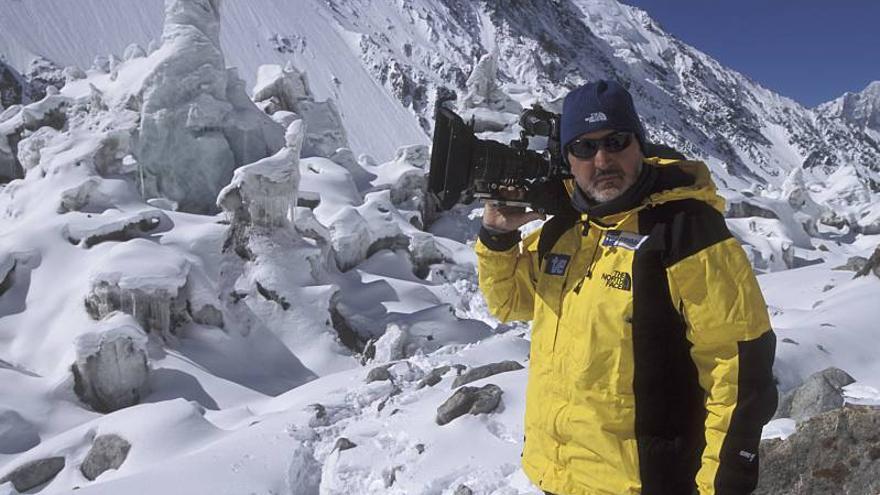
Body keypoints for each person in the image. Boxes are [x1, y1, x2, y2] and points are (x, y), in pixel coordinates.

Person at [475, 80, 777, 495]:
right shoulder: (563, 230)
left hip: (643, 484)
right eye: (583, 148)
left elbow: (741, 372)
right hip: (559, 476)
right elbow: (510, 303)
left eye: (616, 142)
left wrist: (721, 485)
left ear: (640, 145)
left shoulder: (685, 231)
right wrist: (497, 238)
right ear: (567, 157)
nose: (602, 160)